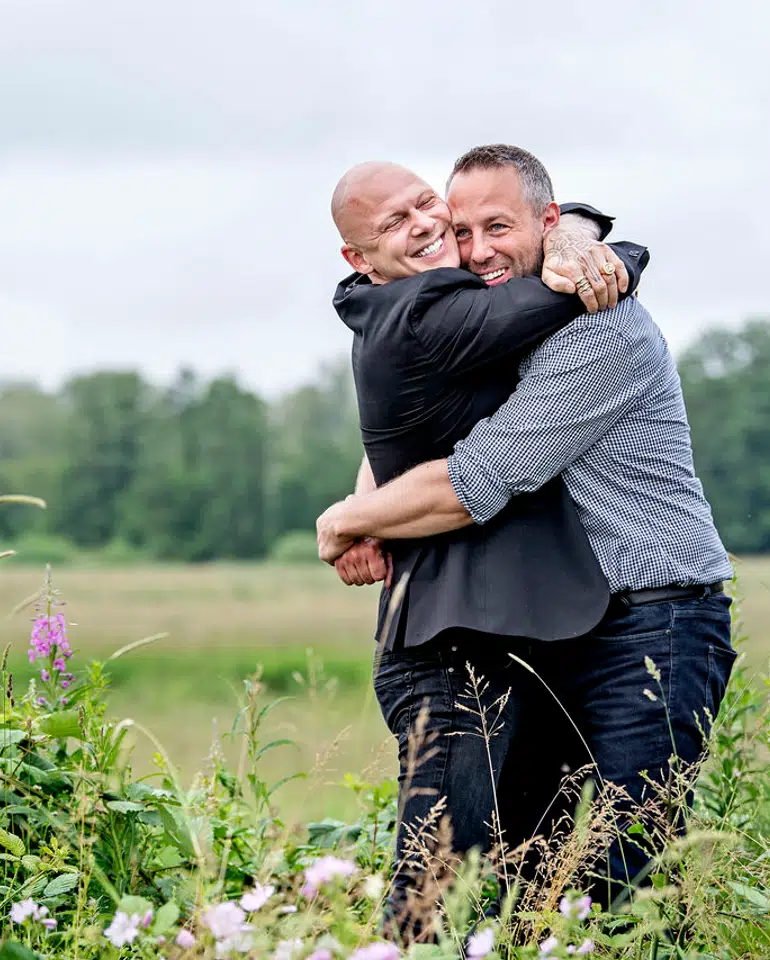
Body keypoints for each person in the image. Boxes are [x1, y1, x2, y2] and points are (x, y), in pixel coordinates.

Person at [318, 145, 737, 911]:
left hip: (657, 613)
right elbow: (414, 424)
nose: (474, 250)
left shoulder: (598, 328)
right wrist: (372, 486)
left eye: (498, 227)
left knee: (625, 871)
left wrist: (345, 520)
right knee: (531, 881)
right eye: (462, 227)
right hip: (567, 628)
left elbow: (477, 479)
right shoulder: (497, 319)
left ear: (548, 223)